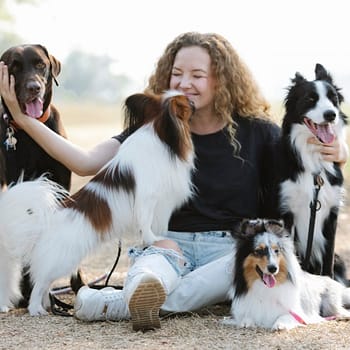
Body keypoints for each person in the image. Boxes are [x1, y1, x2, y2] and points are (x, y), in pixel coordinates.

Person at [0, 32, 348, 331]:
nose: (185, 82)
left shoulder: (256, 131)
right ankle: (142, 293)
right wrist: (23, 119)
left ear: (221, 80)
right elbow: (85, 162)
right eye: (177, 73)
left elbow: (300, 150)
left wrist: (339, 148)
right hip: (168, 245)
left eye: (198, 74)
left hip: (225, 249)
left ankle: (114, 305)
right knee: (148, 272)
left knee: (231, 269)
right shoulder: (153, 127)